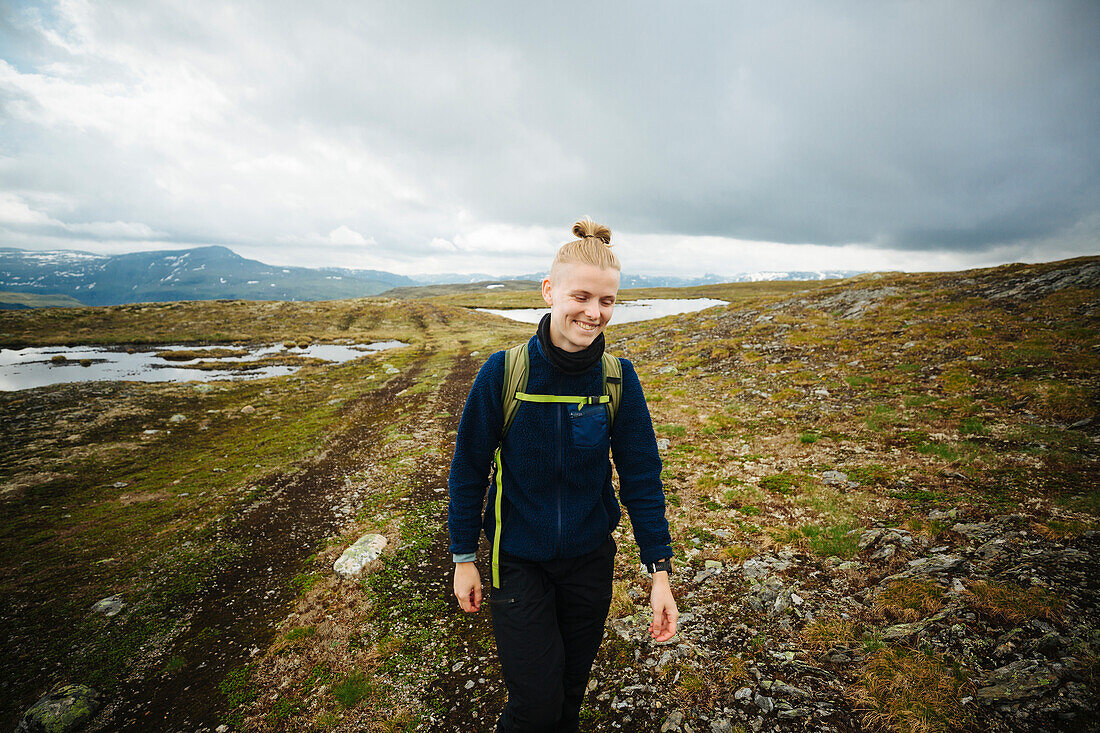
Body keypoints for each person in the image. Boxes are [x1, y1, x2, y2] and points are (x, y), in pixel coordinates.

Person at [448, 217, 678, 732]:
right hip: (518, 562)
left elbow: (641, 477)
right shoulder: (503, 372)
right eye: (582, 297)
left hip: (589, 564)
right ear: (549, 290)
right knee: (535, 705)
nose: (594, 313)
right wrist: (464, 556)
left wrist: (658, 571)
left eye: (607, 302)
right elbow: (468, 468)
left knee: (570, 695)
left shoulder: (618, 379)